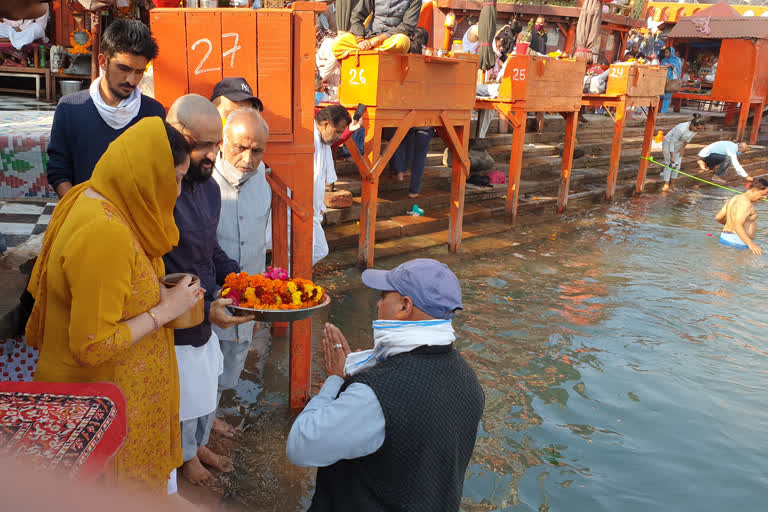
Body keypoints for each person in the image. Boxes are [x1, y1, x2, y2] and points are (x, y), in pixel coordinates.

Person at [27, 117, 198, 494]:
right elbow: (92, 344)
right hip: (101, 410)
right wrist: (165, 310)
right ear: (149, 173)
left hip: (119, 397)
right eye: (178, 178)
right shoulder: (105, 232)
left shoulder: (100, 194)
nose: (180, 190)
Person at [286, 258, 485, 511]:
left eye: (383, 296)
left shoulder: (374, 393)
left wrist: (335, 379)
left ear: (404, 306)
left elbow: (301, 446)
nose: (378, 303)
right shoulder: (468, 380)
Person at [164, 94, 255, 485]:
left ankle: (197, 446)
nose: (212, 155)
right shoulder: (164, 191)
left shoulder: (209, 188)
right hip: (174, 315)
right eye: (204, 145)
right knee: (182, 397)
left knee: (205, 386)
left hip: (206, 305)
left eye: (216, 145)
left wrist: (239, 280)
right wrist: (201, 306)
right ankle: (184, 459)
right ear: (178, 137)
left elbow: (211, 249)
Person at [46, 19, 165, 199]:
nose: (132, 80)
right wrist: (79, 208)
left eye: (139, 72)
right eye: (123, 68)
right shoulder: (70, 109)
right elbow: (58, 170)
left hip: (134, 220)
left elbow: (158, 174)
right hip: (82, 215)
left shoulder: (153, 113)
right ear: (103, 61)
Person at [210, 108, 273, 438]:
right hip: (211, 294)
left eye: (257, 150)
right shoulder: (204, 182)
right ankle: (202, 424)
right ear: (223, 143)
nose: (248, 159)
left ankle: (217, 408)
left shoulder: (263, 179)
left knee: (235, 353)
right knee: (206, 360)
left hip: (248, 293)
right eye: (240, 148)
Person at [314, 105, 352, 263]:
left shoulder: (322, 140)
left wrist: (320, 207)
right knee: (319, 249)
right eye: (338, 131)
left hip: (311, 210)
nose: (339, 136)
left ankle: (286, 280)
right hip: (297, 209)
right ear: (325, 124)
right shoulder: (307, 139)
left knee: (318, 250)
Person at [332, 0, 420, 56]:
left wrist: (379, 39)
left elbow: (407, 26)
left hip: (390, 40)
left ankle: (372, 51)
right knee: (338, 43)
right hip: (369, 39)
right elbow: (357, 15)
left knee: (402, 41)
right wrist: (360, 40)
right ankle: (371, 50)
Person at [715, 177, 768, 254]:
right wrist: (751, 244)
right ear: (754, 190)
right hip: (738, 242)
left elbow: (718, 217)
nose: (764, 197)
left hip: (725, 237)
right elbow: (738, 226)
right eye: (763, 194)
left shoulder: (734, 198)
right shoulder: (745, 203)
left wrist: (731, 224)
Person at [661, 114, 706, 191]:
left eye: (700, 129)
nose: (697, 130)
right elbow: (672, 142)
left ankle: (673, 185)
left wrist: (682, 149)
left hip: (680, 144)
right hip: (668, 143)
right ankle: (666, 184)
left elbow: (687, 140)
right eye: (697, 128)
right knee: (670, 164)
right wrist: (672, 155)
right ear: (692, 124)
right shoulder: (681, 128)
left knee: (677, 165)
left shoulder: (695, 130)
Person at [660, 47, 681, 114]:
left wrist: (671, 66)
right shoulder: (664, 60)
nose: (665, 54)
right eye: (665, 52)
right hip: (663, 78)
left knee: (667, 95)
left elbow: (678, 69)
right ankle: (658, 109)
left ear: (671, 52)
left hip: (671, 79)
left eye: (667, 52)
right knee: (660, 94)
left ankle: (663, 111)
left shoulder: (676, 60)